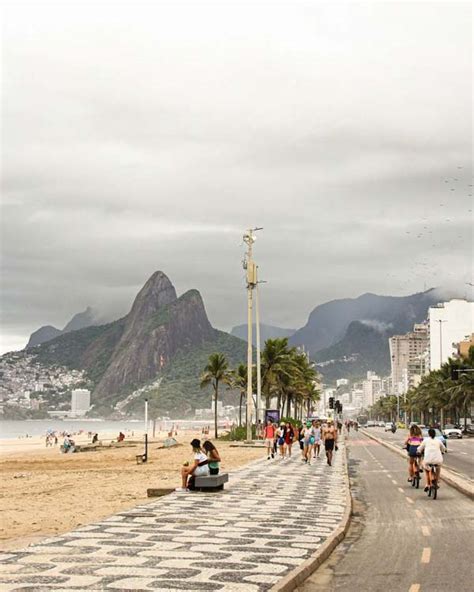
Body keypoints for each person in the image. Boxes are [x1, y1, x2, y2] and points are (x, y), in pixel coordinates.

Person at [418, 428, 446, 492]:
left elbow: (420, 448)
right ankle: (437, 479)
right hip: (438, 460)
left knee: (427, 469)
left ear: (428, 434)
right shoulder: (438, 440)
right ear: (435, 434)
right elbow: (443, 448)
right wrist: (443, 451)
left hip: (428, 460)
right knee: (438, 468)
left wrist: (418, 451)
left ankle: (428, 484)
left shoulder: (426, 440)